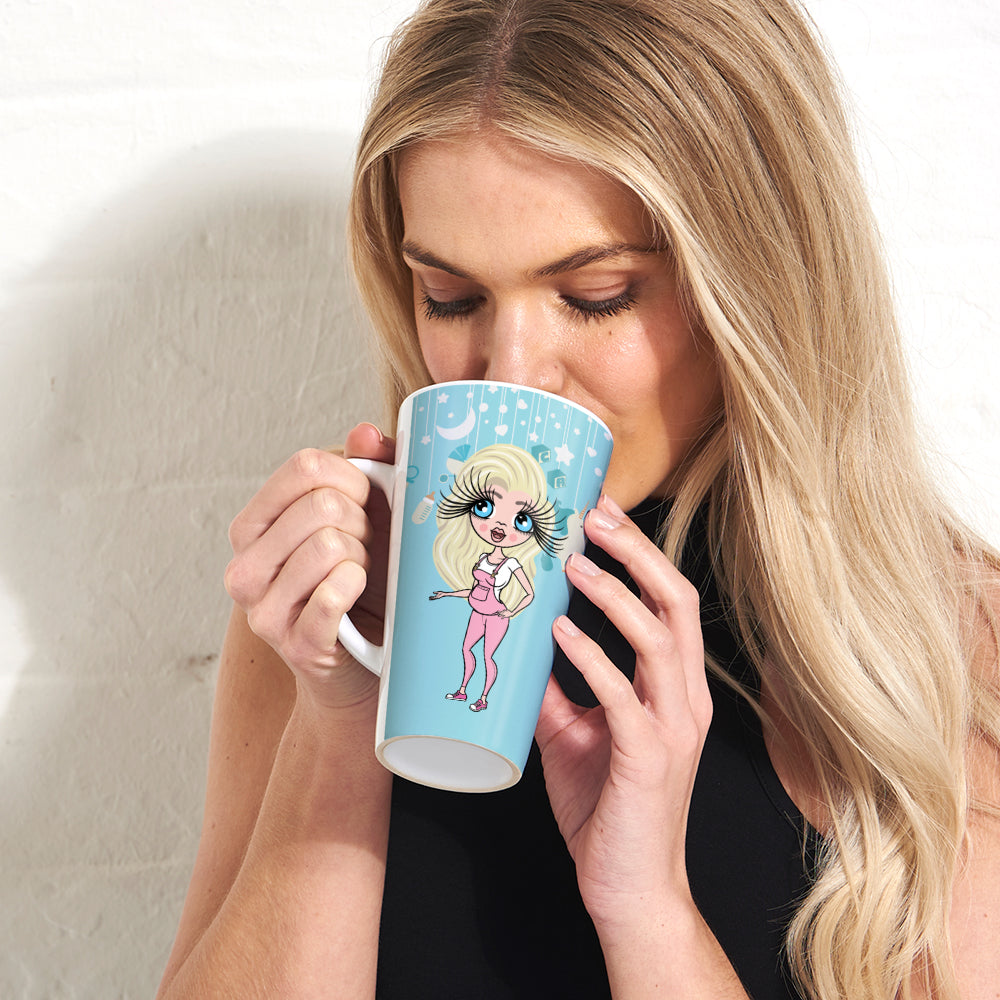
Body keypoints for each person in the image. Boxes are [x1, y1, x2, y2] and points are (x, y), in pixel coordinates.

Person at [156, 1, 1000, 998]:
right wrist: (338, 729)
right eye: (451, 297)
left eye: (596, 294)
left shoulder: (946, 644)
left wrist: (645, 909)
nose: (512, 372)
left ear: (757, 282)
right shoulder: (336, 600)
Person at [428, 443, 562, 710]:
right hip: (477, 612)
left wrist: (511, 610)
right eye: (484, 506)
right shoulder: (481, 558)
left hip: (496, 616)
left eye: (521, 519)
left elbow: (529, 593)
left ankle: (484, 698)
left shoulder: (511, 564)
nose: (500, 524)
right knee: (466, 649)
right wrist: (447, 594)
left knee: (488, 656)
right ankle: (462, 691)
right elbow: (473, 591)